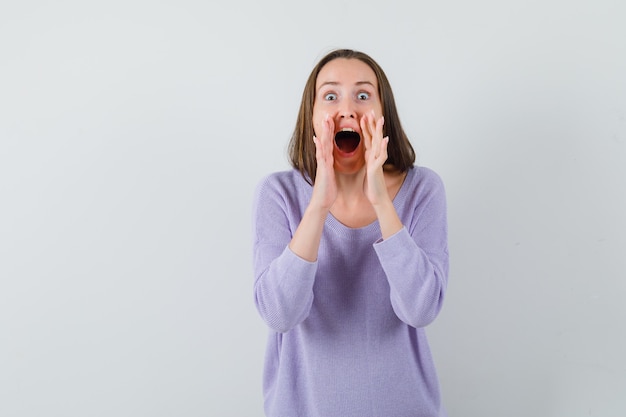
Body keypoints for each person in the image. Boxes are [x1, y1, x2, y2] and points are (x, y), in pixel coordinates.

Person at [251, 48, 449, 417]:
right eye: (330, 95)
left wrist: (382, 205)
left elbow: (421, 309)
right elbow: (280, 314)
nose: (348, 109)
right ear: (310, 117)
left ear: (383, 113)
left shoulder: (424, 190)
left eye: (363, 95)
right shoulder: (277, 194)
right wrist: (318, 205)